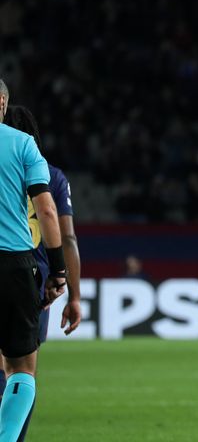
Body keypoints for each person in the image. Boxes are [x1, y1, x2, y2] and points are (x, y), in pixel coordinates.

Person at [0, 79, 67, 441]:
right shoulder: (23, 144)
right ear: (2, 102)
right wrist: (57, 271)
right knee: (21, 368)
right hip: (12, 264)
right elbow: (46, 211)